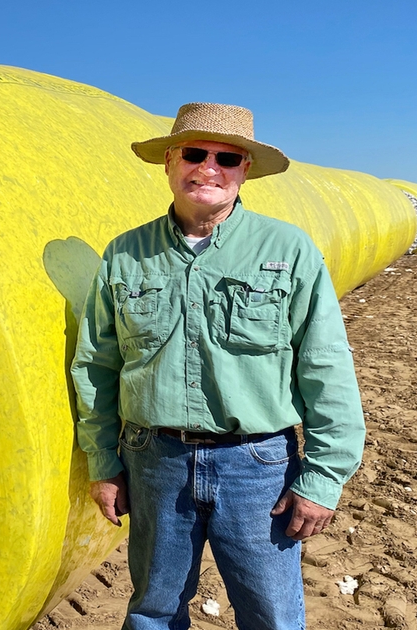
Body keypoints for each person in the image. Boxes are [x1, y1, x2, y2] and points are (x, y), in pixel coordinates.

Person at [71, 102, 365, 630]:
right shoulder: (125, 254)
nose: (209, 168)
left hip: (257, 466)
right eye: (194, 153)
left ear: (244, 169)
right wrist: (103, 462)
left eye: (226, 157)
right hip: (154, 460)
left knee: (270, 615)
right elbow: (96, 364)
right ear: (169, 162)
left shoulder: (288, 249)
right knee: (154, 611)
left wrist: (323, 478)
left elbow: (325, 367)